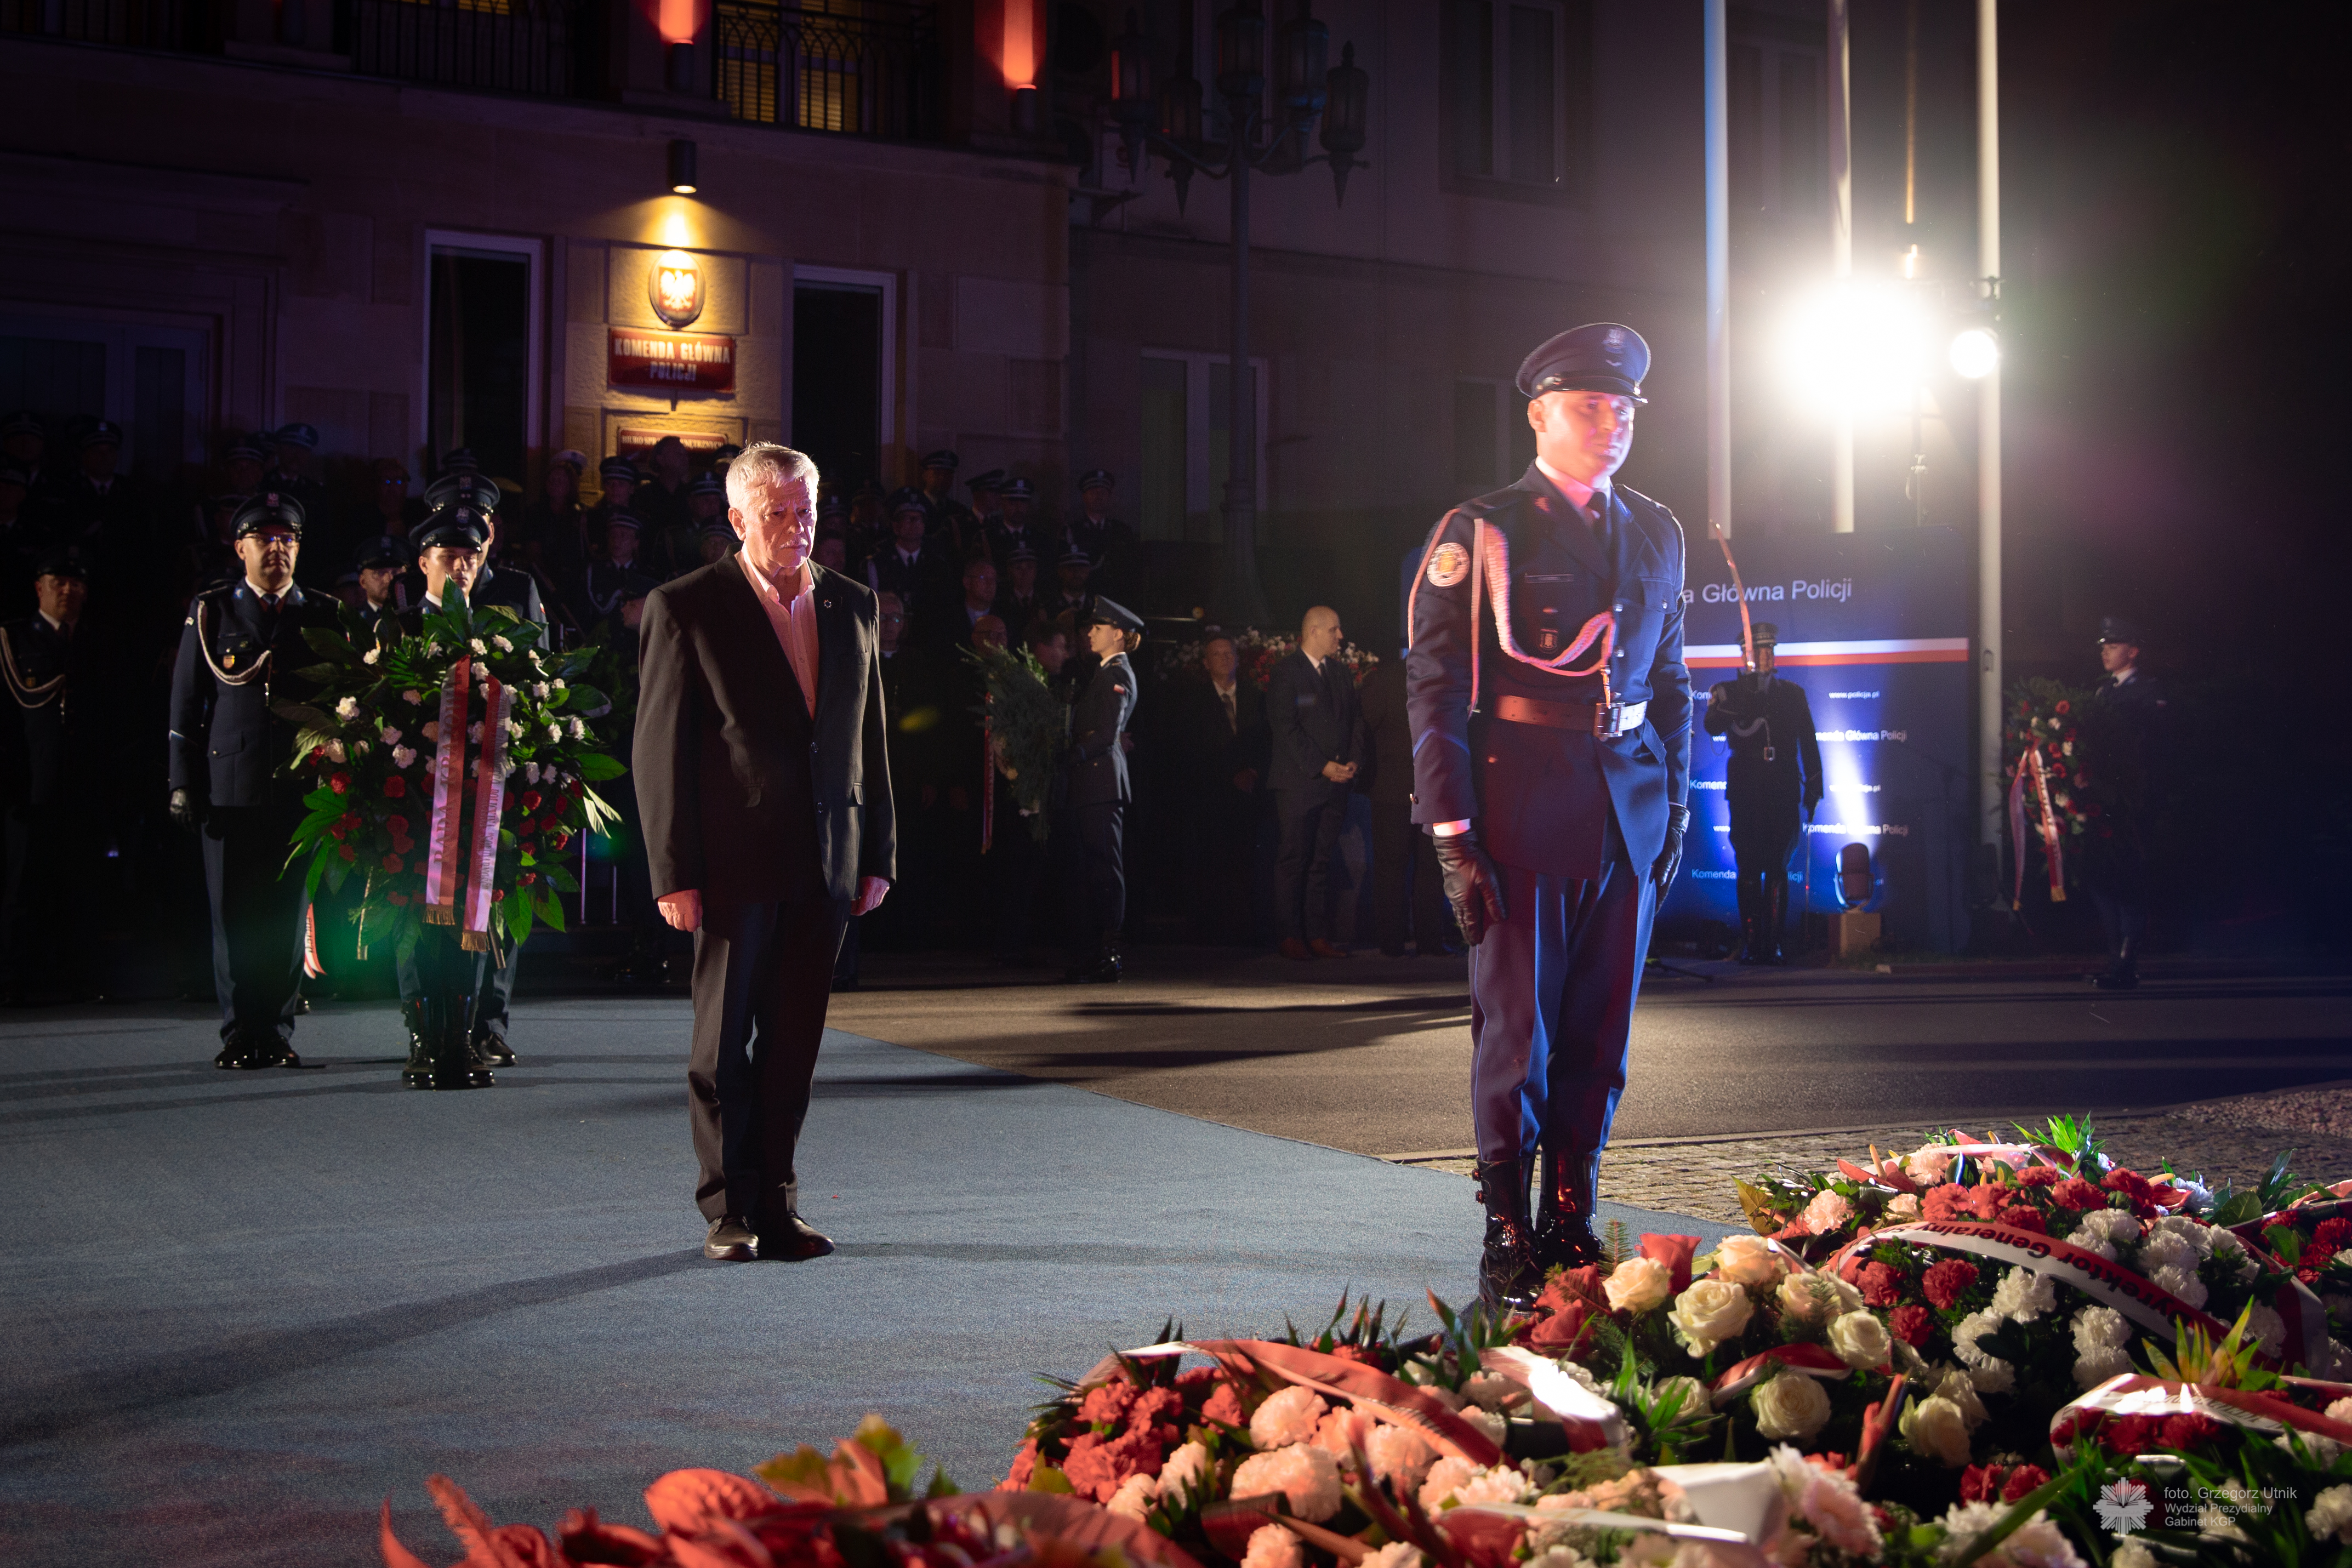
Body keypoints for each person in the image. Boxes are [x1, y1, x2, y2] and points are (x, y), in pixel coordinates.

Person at [1407, 322, 1691, 1309]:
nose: (1611, 423)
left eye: (1623, 408)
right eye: (1588, 406)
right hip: (1521, 811)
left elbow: (1670, 680)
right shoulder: (1483, 530)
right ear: (1538, 415)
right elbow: (1435, 691)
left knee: (1599, 1038)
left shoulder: (1656, 529)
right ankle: (1506, 1231)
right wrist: (1452, 834)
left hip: (1628, 813)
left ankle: (1570, 1219)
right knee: (1517, 1037)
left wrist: (1675, 804)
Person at [636, 441, 895, 1263]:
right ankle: (728, 1210)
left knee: (792, 1045)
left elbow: (868, 738)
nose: (795, 527)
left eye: (805, 511)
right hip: (730, 861)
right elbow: (659, 749)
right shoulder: (685, 606)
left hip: (827, 859)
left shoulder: (853, 602)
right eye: (776, 512)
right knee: (721, 1048)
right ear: (737, 518)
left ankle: (779, 1204)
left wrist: (878, 851)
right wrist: (674, 871)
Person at [168, 492, 343, 1069]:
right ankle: (241, 1031)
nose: (277, 549)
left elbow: (342, 703)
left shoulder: (322, 613)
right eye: (264, 539)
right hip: (229, 788)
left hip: (298, 789)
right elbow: (186, 703)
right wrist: (181, 781)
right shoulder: (214, 610)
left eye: (287, 539)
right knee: (233, 914)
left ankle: (278, 1029)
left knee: (286, 916)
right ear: (239, 547)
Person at [385, 504, 503, 1088]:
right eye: (448, 556)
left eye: (470, 557)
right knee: (414, 916)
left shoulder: (497, 634)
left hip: (476, 805)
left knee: (472, 915)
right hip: (412, 803)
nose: (461, 566)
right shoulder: (398, 629)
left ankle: (461, 1034)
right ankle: (422, 1035)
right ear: (423, 562)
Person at [0, 550, 113, 1001]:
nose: (67, 590)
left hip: (83, 787)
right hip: (28, 785)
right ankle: (15, 978)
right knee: (23, 884)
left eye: (75, 583)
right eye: (58, 582)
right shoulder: (13, 640)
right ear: (39, 588)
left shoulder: (98, 642)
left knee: (82, 884)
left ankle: (79, 976)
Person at [1701, 622, 1821, 965]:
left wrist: (1814, 786)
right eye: (1758, 651)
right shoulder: (1728, 691)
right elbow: (1711, 727)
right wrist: (1736, 700)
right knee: (1749, 866)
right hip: (1747, 788)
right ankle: (1752, 943)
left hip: (1782, 786)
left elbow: (1808, 742)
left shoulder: (1793, 694)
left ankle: (1775, 944)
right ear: (1745, 656)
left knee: (1779, 866)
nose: (1765, 657)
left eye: (1770, 650)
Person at [1267, 606, 1363, 961]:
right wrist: (1322, 766)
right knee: (1294, 858)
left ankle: (1317, 934)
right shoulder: (1286, 672)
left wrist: (1352, 760)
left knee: (1321, 860)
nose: (1340, 636)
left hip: (1335, 783)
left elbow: (1354, 721)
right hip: (1300, 783)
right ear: (1313, 631)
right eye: (1334, 630)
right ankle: (1289, 934)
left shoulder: (1339, 673)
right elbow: (1285, 726)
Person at [1060, 596, 1143, 983]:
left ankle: (1108, 953)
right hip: (1092, 782)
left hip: (1101, 782)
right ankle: (1095, 950)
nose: (1089, 633)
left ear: (1118, 634)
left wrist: (1072, 753)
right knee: (1094, 868)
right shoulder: (1104, 672)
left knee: (1105, 868)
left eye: (1098, 627)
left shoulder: (1117, 674)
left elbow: (1106, 734)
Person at [2084, 614, 2167, 990]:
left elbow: (2147, 747)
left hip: (2132, 804)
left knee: (2129, 883)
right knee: (2102, 881)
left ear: (2132, 652)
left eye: (2114, 646)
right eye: (2104, 646)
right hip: (2103, 802)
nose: (2105, 652)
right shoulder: (2103, 692)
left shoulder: (2147, 693)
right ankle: (2115, 959)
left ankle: (2125, 963)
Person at [1356, 646, 1455, 957]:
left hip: (1399, 787)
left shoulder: (1386, 678)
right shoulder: (1437, 676)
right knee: (1419, 868)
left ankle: (1398, 942)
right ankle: (1420, 941)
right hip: (1417, 787)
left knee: (1403, 868)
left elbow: (1364, 727)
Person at [1178, 632, 1268, 944]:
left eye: (1229, 653)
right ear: (1206, 663)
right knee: (1213, 865)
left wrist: (1252, 771)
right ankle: (1213, 930)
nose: (1224, 659)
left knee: (1248, 864)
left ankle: (1247, 929)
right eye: (1216, 654)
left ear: (1238, 659)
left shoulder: (1256, 697)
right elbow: (1192, 749)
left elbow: (1267, 741)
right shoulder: (1193, 702)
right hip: (1212, 797)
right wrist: (1230, 775)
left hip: (1250, 795)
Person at [864, 488, 951, 617]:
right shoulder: (879, 562)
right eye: (907, 519)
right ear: (896, 526)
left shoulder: (937, 562)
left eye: (918, 519)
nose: (914, 524)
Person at [1066, 470, 1136, 583]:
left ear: (1109, 497)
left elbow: (1131, 569)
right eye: (1094, 492)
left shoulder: (1122, 531)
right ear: (1084, 497)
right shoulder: (1073, 532)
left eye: (1103, 493)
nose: (1099, 497)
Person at [915, 449, 977, 552]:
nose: (943, 478)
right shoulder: (915, 507)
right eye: (937, 473)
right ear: (925, 476)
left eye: (948, 475)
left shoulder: (959, 510)